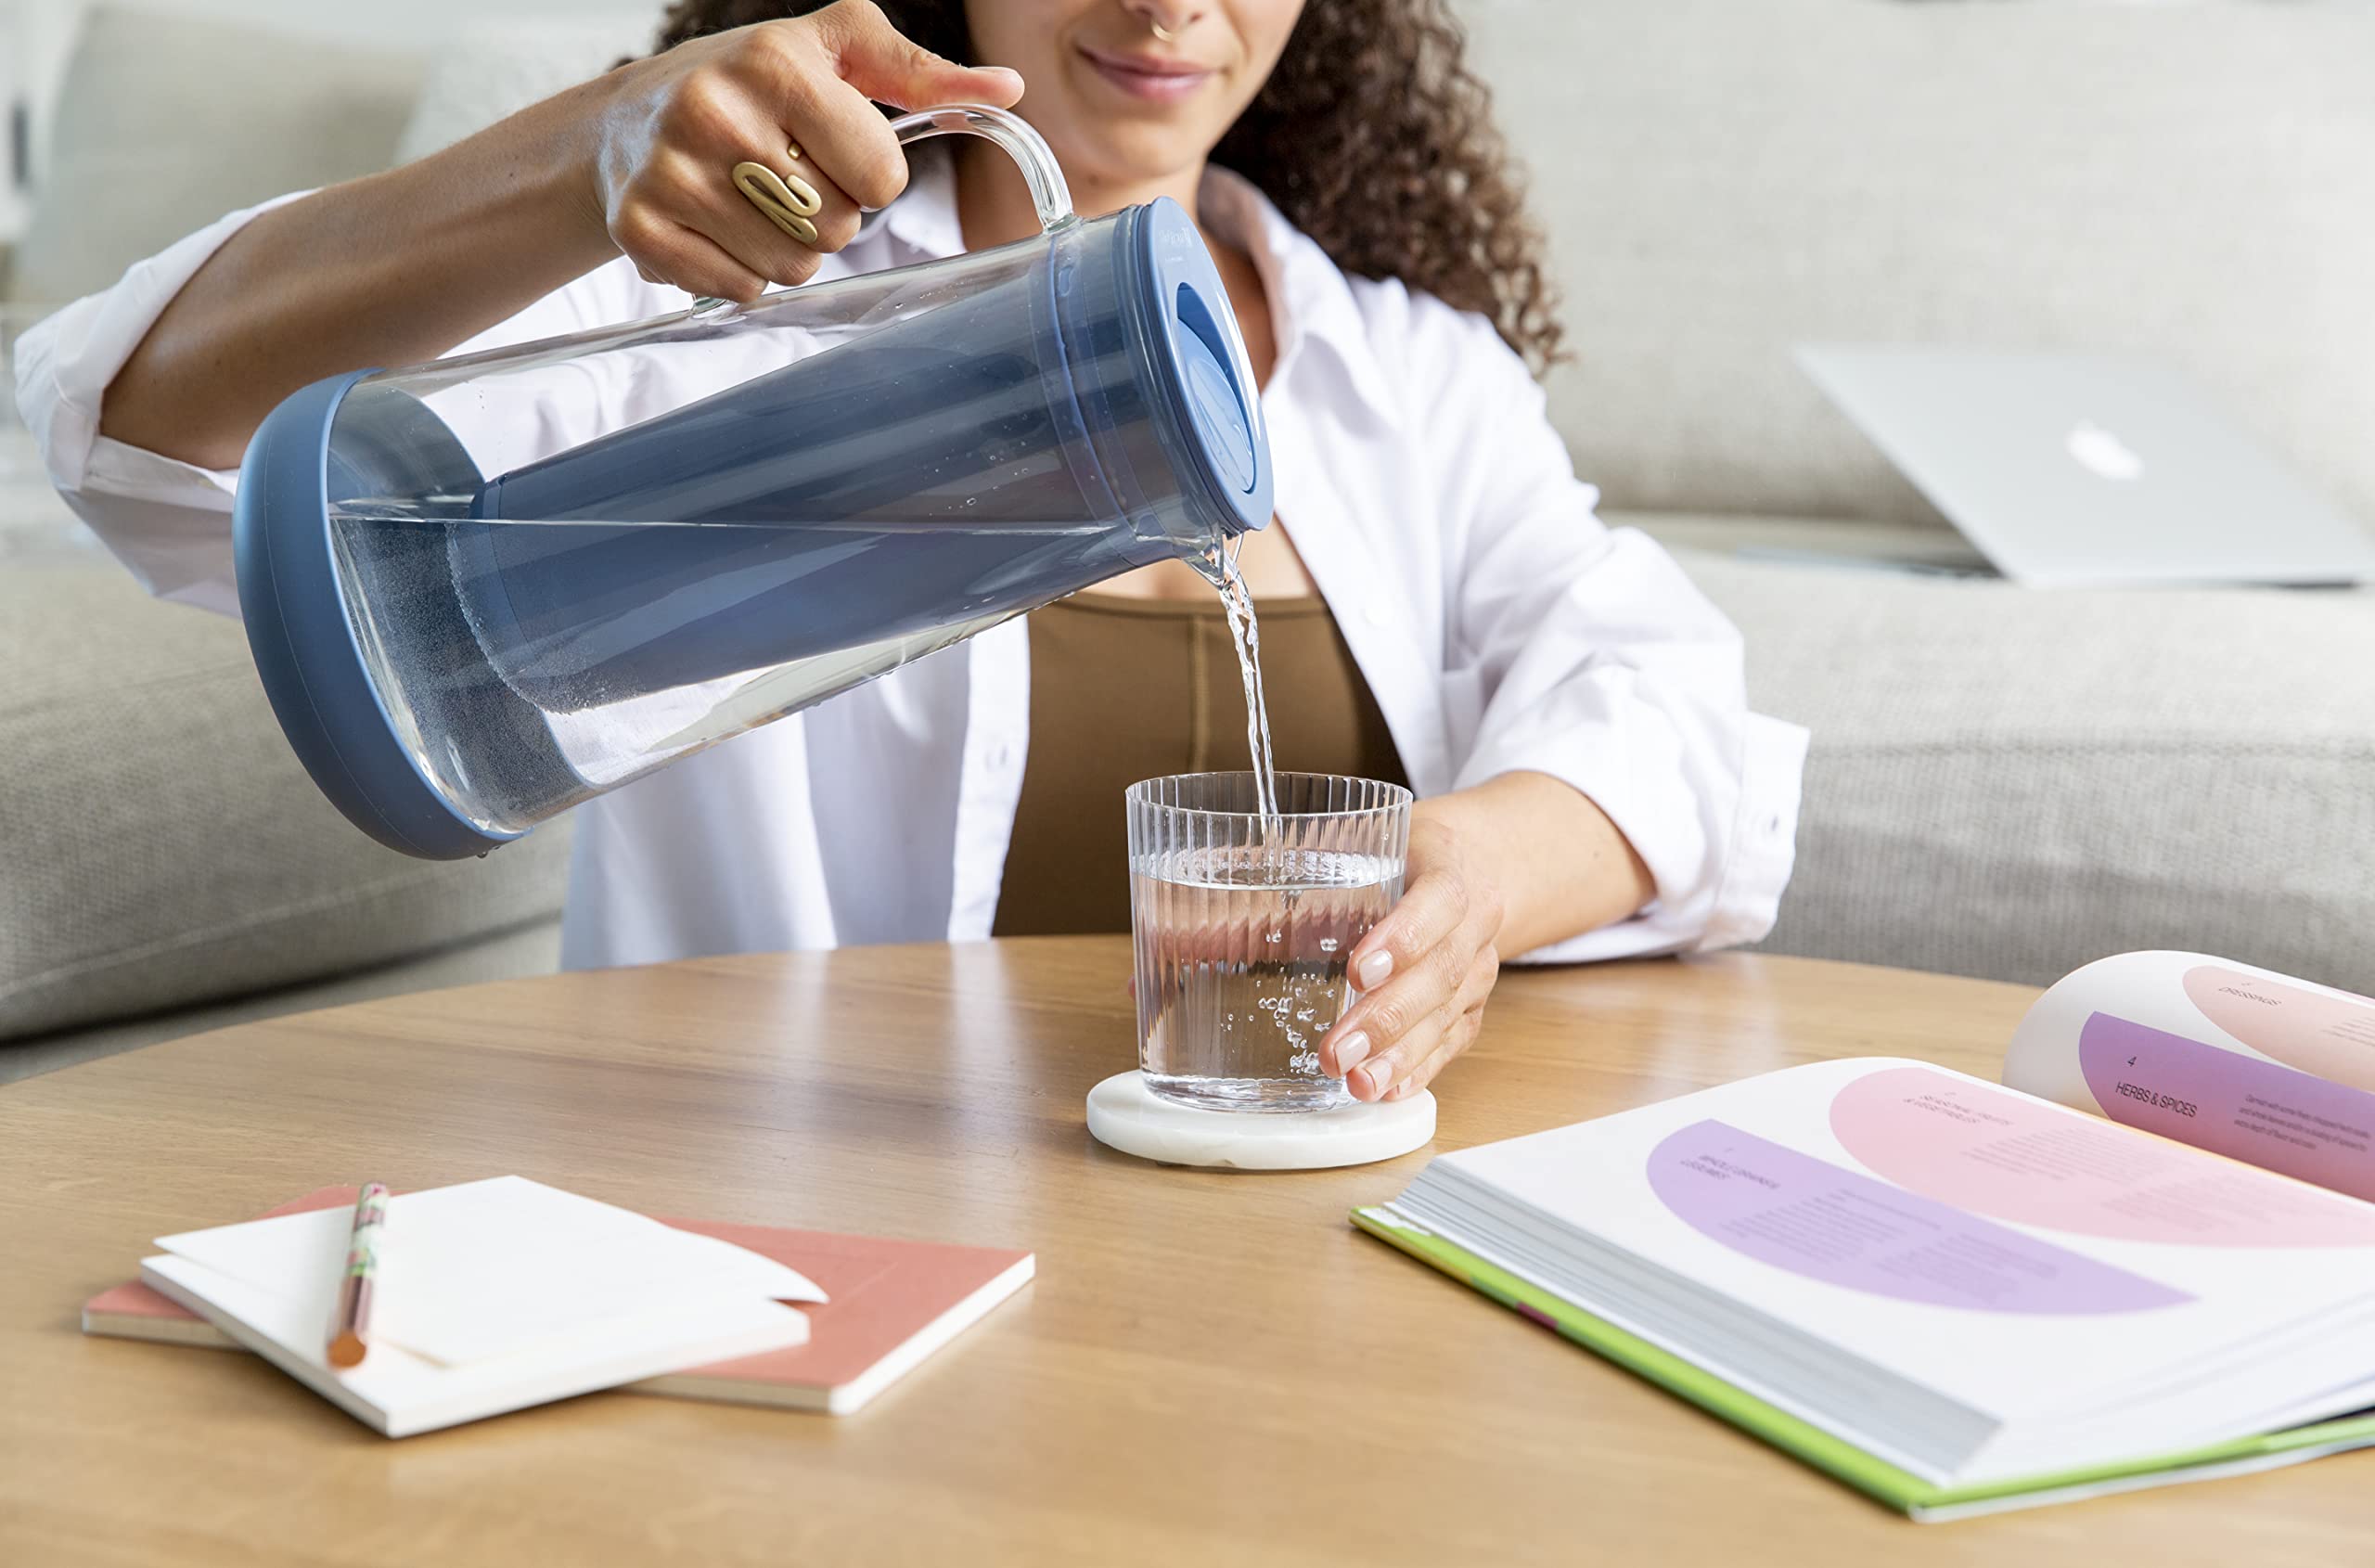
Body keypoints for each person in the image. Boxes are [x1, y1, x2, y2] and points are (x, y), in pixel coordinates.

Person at [18, 0, 1805, 1104]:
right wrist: (587, 153)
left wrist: (1478, 872)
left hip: (1293, 1245)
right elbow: (140, 439)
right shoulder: (733, 303)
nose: (1170, 1)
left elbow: (1677, 713)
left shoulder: (1405, 370)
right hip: (820, 1241)